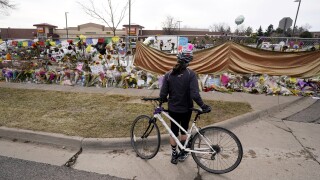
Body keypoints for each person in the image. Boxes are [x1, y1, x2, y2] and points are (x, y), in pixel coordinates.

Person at [159, 49, 211, 165]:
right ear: (189, 62)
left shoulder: (168, 74)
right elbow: (194, 94)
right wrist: (203, 106)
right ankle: (182, 152)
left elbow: (163, 94)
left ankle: (174, 154)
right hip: (186, 108)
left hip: (173, 108)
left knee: (173, 131)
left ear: (178, 59)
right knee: (184, 130)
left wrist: (162, 101)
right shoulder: (191, 74)